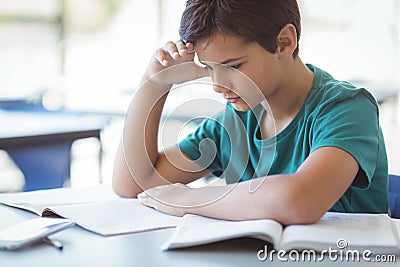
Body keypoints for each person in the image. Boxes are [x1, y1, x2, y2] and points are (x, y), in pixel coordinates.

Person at [112, 0, 388, 225]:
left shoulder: (347, 109)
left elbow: (300, 200)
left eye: (233, 66)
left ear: (284, 42)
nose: (218, 86)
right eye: (209, 69)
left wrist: (190, 199)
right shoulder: (235, 121)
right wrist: (154, 84)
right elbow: (134, 184)